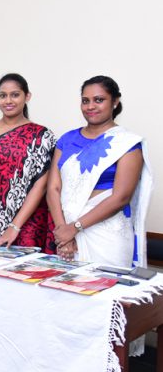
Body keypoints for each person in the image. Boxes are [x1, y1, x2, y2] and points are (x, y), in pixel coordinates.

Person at [47, 76, 151, 266]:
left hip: (107, 235)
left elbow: (121, 197)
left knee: (108, 284)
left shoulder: (126, 143)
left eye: (99, 100)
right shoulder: (67, 139)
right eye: (85, 100)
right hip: (66, 232)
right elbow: (53, 188)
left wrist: (75, 227)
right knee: (67, 283)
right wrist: (63, 231)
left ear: (115, 101)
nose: (90, 106)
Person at [0, 73, 56, 249]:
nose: (8, 101)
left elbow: (41, 186)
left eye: (15, 95)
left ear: (27, 96)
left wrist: (14, 227)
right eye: (3, 95)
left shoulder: (42, 136)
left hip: (29, 221)